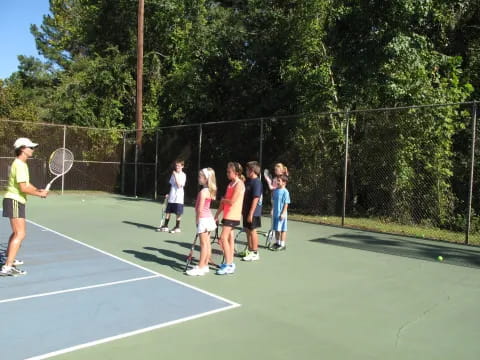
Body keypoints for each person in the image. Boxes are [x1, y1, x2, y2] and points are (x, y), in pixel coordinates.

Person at [1, 138, 49, 276]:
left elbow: (27, 184)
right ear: (22, 148)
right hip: (15, 200)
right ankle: (7, 267)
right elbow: (23, 188)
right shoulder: (20, 165)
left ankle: (9, 259)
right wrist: (39, 194)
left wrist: (38, 190)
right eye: (30, 147)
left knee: (16, 233)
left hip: (14, 200)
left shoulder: (20, 164)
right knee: (20, 234)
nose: (32, 150)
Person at [214, 162, 245, 275]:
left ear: (236, 173)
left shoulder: (239, 184)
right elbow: (224, 203)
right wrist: (217, 215)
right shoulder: (230, 184)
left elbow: (231, 201)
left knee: (223, 238)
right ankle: (230, 263)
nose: (227, 173)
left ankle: (228, 264)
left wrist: (222, 200)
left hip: (233, 215)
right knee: (229, 239)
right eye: (227, 171)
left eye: (229, 172)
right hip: (227, 215)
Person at [186, 168, 217, 276]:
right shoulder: (209, 190)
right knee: (207, 244)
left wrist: (197, 220)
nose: (198, 178)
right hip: (209, 219)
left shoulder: (203, 192)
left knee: (203, 245)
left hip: (203, 219)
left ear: (206, 179)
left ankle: (200, 267)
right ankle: (205, 265)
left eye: (200, 176)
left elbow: (199, 209)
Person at [241, 161, 263, 261]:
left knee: (253, 230)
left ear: (252, 170)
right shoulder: (248, 181)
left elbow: (256, 198)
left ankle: (255, 252)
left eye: (247, 169)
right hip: (246, 211)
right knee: (247, 230)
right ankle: (249, 250)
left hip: (253, 212)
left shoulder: (257, 182)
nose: (245, 171)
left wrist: (250, 213)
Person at [158, 160, 186, 233]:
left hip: (179, 198)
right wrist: (169, 193)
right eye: (176, 166)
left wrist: (175, 175)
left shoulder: (183, 175)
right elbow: (172, 185)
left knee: (178, 213)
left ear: (182, 166)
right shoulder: (173, 175)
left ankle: (177, 227)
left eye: (179, 166)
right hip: (172, 197)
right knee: (168, 212)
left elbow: (179, 185)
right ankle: (165, 226)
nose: (177, 167)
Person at [271, 174, 290, 251]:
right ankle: (277, 243)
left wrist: (283, 213)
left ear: (284, 182)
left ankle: (282, 244)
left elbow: (286, 203)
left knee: (282, 229)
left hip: (282, 215)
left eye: (279, 181)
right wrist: (272, 209)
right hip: (275, 214)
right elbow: (273, 201)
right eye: (277, 180)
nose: (277, 182)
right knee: (276, 229)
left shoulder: (285, 192)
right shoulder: (275, 191)